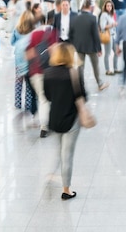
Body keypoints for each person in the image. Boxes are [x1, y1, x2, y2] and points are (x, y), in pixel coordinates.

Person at [44, 43, 87, 201]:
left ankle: (51, 174)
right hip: (72, 119)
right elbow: (82, 96)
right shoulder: (75, 73)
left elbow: (48, 96)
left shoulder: (47, 73)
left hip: (55, 118)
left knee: (60, 150)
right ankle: (66, 189)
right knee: (67, 155)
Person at [26, 13, 58, 138]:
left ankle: (44, 125)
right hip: (49, 71)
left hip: (35, 72)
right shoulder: (52, 32)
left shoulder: (33, 35)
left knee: (42, 98)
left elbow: (28, 55)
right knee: (49, 99)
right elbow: (54, 52)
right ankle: (46, 125)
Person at [70, 0, 109, 91]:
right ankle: (99, 83)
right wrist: (99, 48)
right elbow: (95, 34)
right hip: (91, 47)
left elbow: (71, 32)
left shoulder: (75, 18)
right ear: (90, 7)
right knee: (95, 65)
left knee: (80, 66)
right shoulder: (92, 18)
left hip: (79, 46)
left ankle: (80, 85)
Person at [11, 11, 37, 115]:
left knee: (18, 82)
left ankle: (17, 104)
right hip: (30, 60)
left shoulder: (17, 29)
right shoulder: (34, 31)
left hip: (19, 59)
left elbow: (12, 42)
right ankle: (28, 104)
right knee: (29, 83)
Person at [100, 1, 119, 75]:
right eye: (107, 6)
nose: (109, 7)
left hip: (114, 35)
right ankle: (107, 69)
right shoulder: (104, 15)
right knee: (107, 53)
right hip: (108, 35)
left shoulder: (111, 15)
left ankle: (115, 68)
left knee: (116, 51)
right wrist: (112, 25)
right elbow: (103, 26)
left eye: (110, 6)